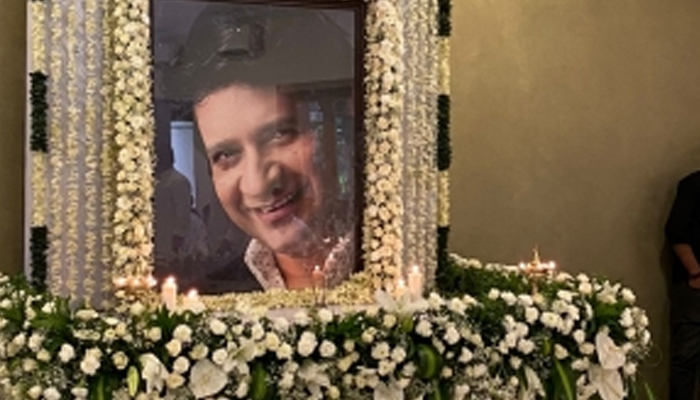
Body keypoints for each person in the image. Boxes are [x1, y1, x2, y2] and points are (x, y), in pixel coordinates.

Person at [158, 3, 358, 293]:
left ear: (341, 125)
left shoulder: (395, 266)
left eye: (280, 134)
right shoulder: (213, 296)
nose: (257, 184)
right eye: (226, 155)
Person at [665, 170, 700, 400]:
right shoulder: (693, 184)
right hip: (694, 289)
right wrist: (695, 272)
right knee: (686, 359)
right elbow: (676, 232)